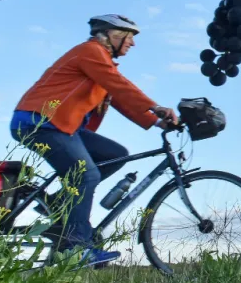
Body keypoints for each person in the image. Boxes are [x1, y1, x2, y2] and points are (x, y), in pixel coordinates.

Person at [10, 14, 179, 266]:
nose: (132, 44)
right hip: (41, 121)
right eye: (130, 37)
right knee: (86, 175)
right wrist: (156, 107)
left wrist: (156, 121)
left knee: (115, 154)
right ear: (114, 34)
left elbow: (119, 97)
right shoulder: (90, 51)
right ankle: (75, 248)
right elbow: (119, 84)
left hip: (62, 125)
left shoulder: (101, 62)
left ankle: (60, 203)